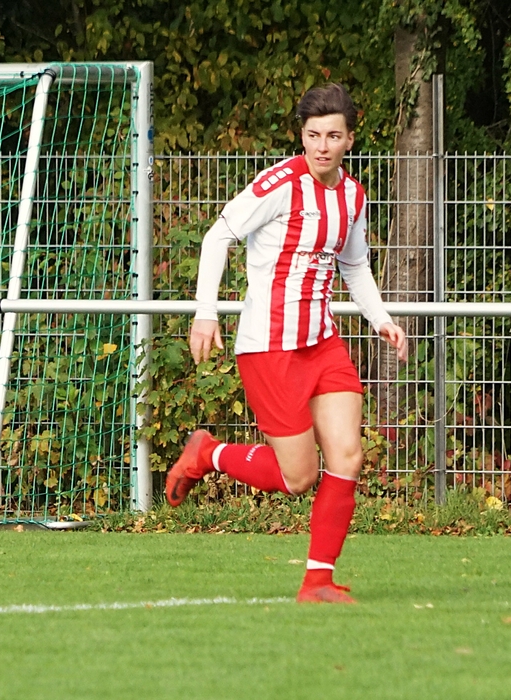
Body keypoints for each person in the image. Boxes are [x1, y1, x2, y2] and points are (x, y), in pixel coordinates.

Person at [166, 83, 407, 604]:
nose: (322, 146)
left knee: (348, 456)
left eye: (333, 136)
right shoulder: (280, 184)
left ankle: (318, 583)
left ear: (350, 139)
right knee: (297, 478)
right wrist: (205, 313)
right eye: (313, 135)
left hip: (323, 343)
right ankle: (209, 453)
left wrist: (381, 319)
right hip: (269, 346)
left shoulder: (353, 196)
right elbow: (217, 236)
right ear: (302, 136)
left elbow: (355, 265)